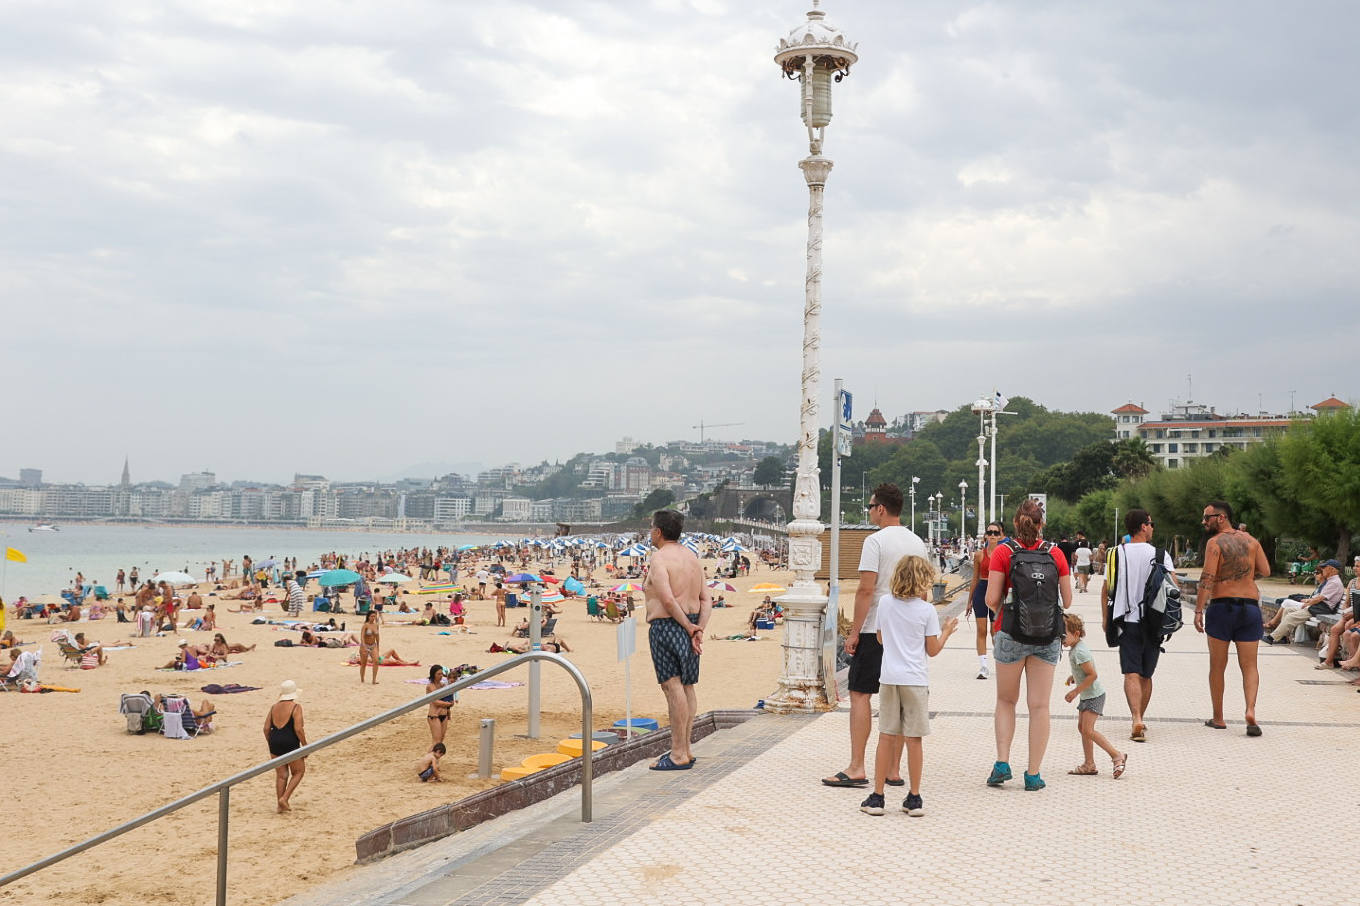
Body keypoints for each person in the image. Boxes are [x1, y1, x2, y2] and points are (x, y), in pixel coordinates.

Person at [823, 484, 927, 789]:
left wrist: (853, 632)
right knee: (895, 699)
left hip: (875, 629)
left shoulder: (875, 542)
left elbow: (866, 589)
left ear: (881, 508)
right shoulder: (917, 542)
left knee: (860, 694)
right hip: (906, 632)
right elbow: (922, 589)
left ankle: (857, 766)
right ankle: (893, 769)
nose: (869, 512)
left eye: (870, 506)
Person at [984, 498, 1072, 791]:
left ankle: (1002, 762)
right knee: (1039, 706)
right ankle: (1033, 774)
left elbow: (991, 600)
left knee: (1006, 701)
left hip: (1010, 633)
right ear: (1041, 523)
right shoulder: (1056, 554)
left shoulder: (1003, 552)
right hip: (1046, 637)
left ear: (1015, 523)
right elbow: (1068, 600)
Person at [858, 555, 957, 817]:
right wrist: (947, 631)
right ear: (923, 580)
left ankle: (877, 797)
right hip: (915, 680)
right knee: (914, 739)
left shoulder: (885, 604)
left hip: (890, 678)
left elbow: (879, 638)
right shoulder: (926, 611)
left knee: (886, 737)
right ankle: (913, 797)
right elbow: (932, 650)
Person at [643, 509, 712, 771]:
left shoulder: (659, 558)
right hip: (692, 622)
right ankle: (686, 749)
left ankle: (677, 753)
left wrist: (687, 626)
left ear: (658, 531)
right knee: (687, 686)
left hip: (667, 625)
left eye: (651, 527)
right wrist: (698, 629)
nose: (650, 531)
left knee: (672, 687)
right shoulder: (692, 557)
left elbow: (667, 599)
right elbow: (706, 599)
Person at [1101, 509, 1177, 743]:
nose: (1153, 527)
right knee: (1146, 674)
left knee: (1130, 673)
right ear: (1143, 526)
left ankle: (1135, 718)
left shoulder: (1115, 554)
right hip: (1153, 623)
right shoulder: (1160, 554)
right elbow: (1173, 589)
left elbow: (1107, 590)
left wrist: (1106, 620)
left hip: (1126, 621)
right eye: (1151, 523)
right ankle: (1141, 717)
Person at [1196, 500, 1271, 736]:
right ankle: (1250, 711)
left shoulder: (1214, 542)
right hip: (1249, 608)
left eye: (1207, 517)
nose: (1204, 521)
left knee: (1217, 666)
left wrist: (1198, 610)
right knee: (1250, 666)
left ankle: (1218, 718)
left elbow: (1208, 577)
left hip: (1222, 607)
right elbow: (1266, 571)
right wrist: (1245, 577)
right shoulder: (1251, 541)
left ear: (1221, 517)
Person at [1062, 613, 1126, 778]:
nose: (1060, 639)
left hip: (1094, 696)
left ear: (1076, 634)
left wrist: (1075, 691)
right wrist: (1074, 677)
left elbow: (1092, 675)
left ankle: (1116, 755)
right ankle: (1089, 764)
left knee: (1088, 730)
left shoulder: (1079, 652)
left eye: (1063, 635)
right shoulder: (1076, 648)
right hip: (1088, 695)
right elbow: (1084, 672)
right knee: (1082, 729)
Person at [1263, 559, 1344, 645]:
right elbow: (1319, 598)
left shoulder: (1334, 582)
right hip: (1318, 606)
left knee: (1291, 617)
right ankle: (1283, 637)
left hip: (1321, 608)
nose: (1322, 569)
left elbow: (1319, 598)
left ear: (1332, 569)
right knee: (1287, 610)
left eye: (1324, 567)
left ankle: (1271, 638)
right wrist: (1309, 602)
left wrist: (1308, 603)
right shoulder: (1331, 581)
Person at [968, 521, 1004, 680]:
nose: (993, 536)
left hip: (997, 591)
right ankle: (983, 666)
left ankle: (1000, 662)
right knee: (981, 630)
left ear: (1001, 535)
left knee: (995, 631)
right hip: (981, 590)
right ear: (986, 535)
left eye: (996, 533)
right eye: (990, 532)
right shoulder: (979, 555)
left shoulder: (1004, 553)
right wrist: (969, 601)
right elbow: (974, 579)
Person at [264, 680, 307, 813]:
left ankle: (279, 806)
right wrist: (305, 746)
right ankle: (285, 798)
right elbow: (298, 729)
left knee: (281, 775)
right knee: (299, 771)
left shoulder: (273, 707)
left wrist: (271, 743)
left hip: (275, 740)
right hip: (290, 741)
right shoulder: (296, 707)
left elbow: (266, 728)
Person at [1317, 555, 1360, 669]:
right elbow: (1347, 602)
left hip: (1357, 614)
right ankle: (1329, 661)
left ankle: (1352, 659)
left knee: (1349, 626)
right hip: (1351, 613)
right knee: (1335, 630)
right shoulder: (1352, 582)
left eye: (1358, 566)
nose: (1355, 568)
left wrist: (1353, 615)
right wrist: (1345, 611)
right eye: (1355, 566)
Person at [425, 664, 456, 745]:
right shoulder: (430, 686)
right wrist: (448, 704)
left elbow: (451, 700)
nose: (441, 676)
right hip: (434, 716)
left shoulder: (443, 685)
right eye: (438, 674)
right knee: (436, 742)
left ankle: (434, 757)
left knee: (440, 742)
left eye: (442, 674)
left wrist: (450, 704)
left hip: (444, 715)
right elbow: (436, 702)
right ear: (433, 675)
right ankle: (429, 757)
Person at [359, 610, 380, 684]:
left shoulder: (376, 625)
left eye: (374, 616)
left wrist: (378, 646)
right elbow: (362, 637)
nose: (373, 618)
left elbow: (377, 636)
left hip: (373, 645)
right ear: (368, 617)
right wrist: (364, 646)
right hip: (365, 645)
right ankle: (362, 679)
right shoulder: (365, 625)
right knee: (363, 664)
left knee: (376, 661)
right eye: (372, 616)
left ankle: (374, 680)